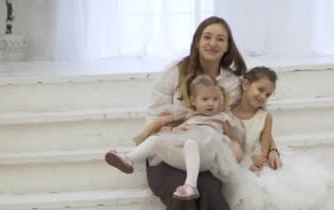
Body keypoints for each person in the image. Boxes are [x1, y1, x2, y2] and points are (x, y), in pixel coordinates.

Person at [140, 16, 246, 210]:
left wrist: (236, 139)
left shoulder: (232, 83)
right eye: (207, 36)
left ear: (228, 46)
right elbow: (152, 118)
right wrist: (172, 127)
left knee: (211, 192)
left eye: (220, 39)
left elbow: (236, 121)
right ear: (198, 41)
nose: (213, 43)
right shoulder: (175, 74)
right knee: (181, 195)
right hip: (169, 152)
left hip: (206, 154)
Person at [104, 74, 243, 200]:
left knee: (191, 142)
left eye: (215, 99)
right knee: (157, 140)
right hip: (186, 158)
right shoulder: (187, 115)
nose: (211, 103)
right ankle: (128, 159)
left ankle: (190, 186)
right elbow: (160, 125)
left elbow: (231, 137)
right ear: (194, 101)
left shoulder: (222, 117)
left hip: (208, 157)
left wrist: (236, 146)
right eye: (205, 99)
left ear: (221, 99)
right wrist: (173, 129)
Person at [225, 66, 328, 210]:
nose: (263, 96)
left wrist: (261, 160)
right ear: (245, 84)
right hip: (239, 159)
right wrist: (248, 160)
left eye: (268, 94)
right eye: (260, 89)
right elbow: (229, 141)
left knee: (269, 175)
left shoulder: (265, 117)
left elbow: (265, 145)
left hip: (257, 157)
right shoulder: (227, 116)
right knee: (245, 180)